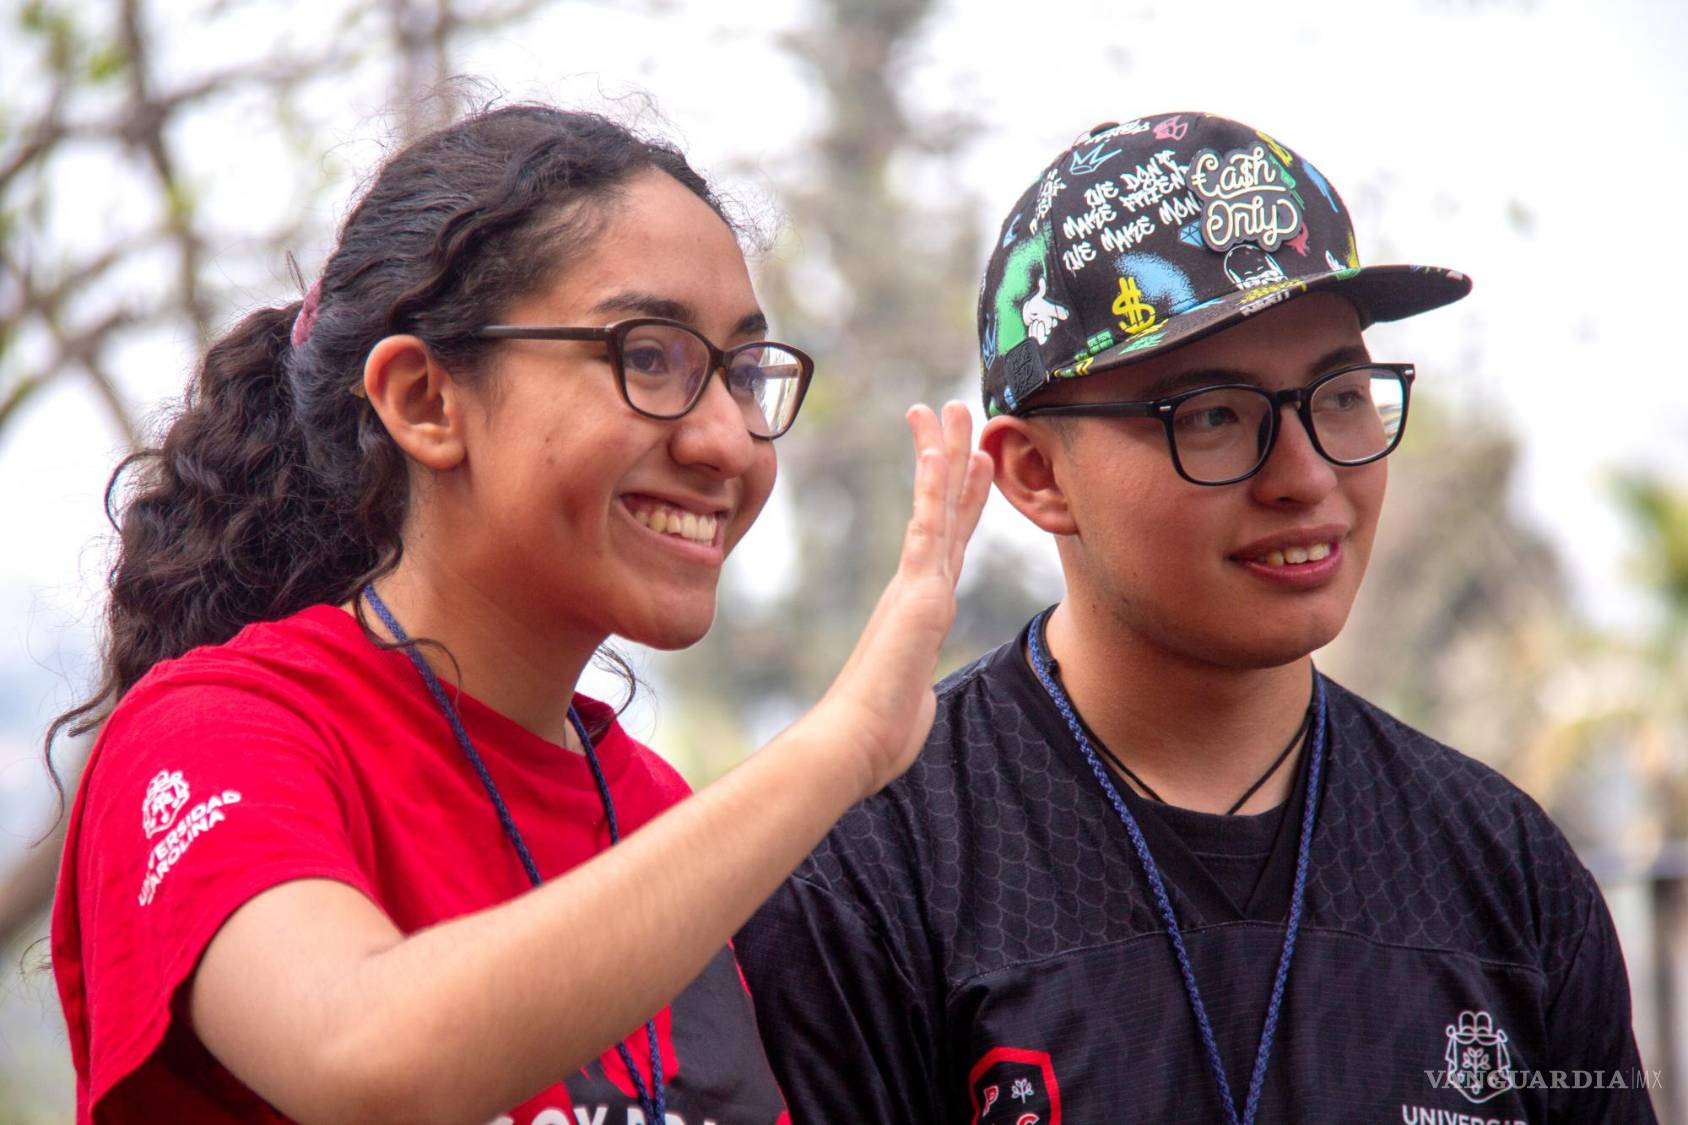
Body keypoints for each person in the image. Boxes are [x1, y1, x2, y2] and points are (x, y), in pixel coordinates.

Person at [48, 103, 991, 1125]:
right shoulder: (217, 735)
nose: (727, 440)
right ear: (423, 400)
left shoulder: (651, 810)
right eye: (649, 356)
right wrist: (840, 747)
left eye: (741, 372)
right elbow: (366, 1057)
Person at [735, 112, 1658, 1123]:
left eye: (1341, 395)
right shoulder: (880, 869)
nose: (1306, 477)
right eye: (1213, 415)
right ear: (1037, 475)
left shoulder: (1501, 869)